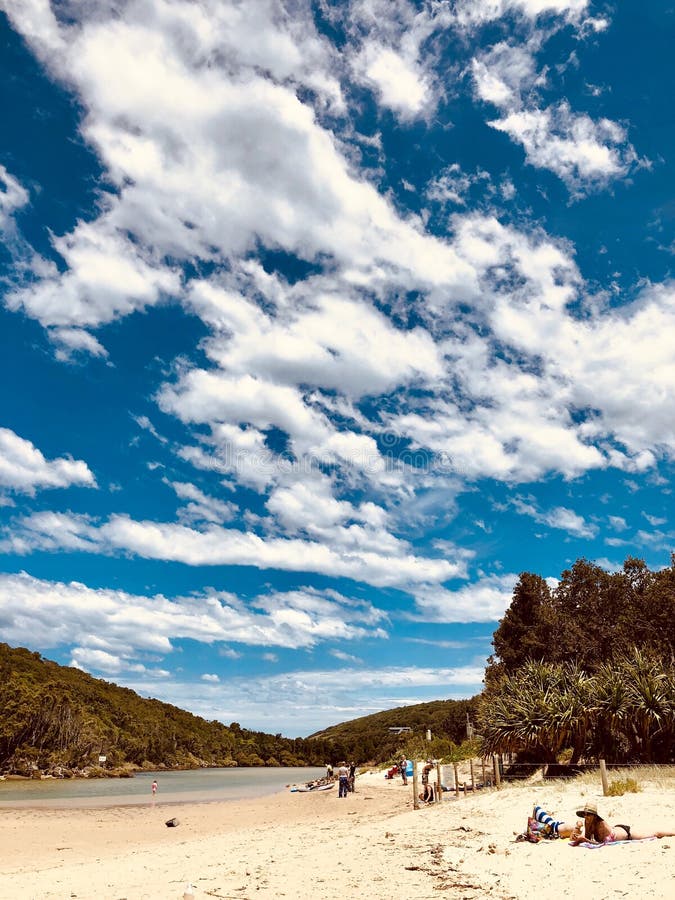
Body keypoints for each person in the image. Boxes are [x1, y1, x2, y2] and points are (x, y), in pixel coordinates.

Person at [571, 801, 675, 844]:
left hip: (627, 834)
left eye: (588, 814)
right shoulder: (587, 822)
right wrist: (577, 828)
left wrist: (583, 839)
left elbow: (601, 844)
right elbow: (578, 838)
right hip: (617, 829)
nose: (586, 816)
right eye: (585, 814)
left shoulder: (600, 824)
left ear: (594, 816)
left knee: (656, 833)